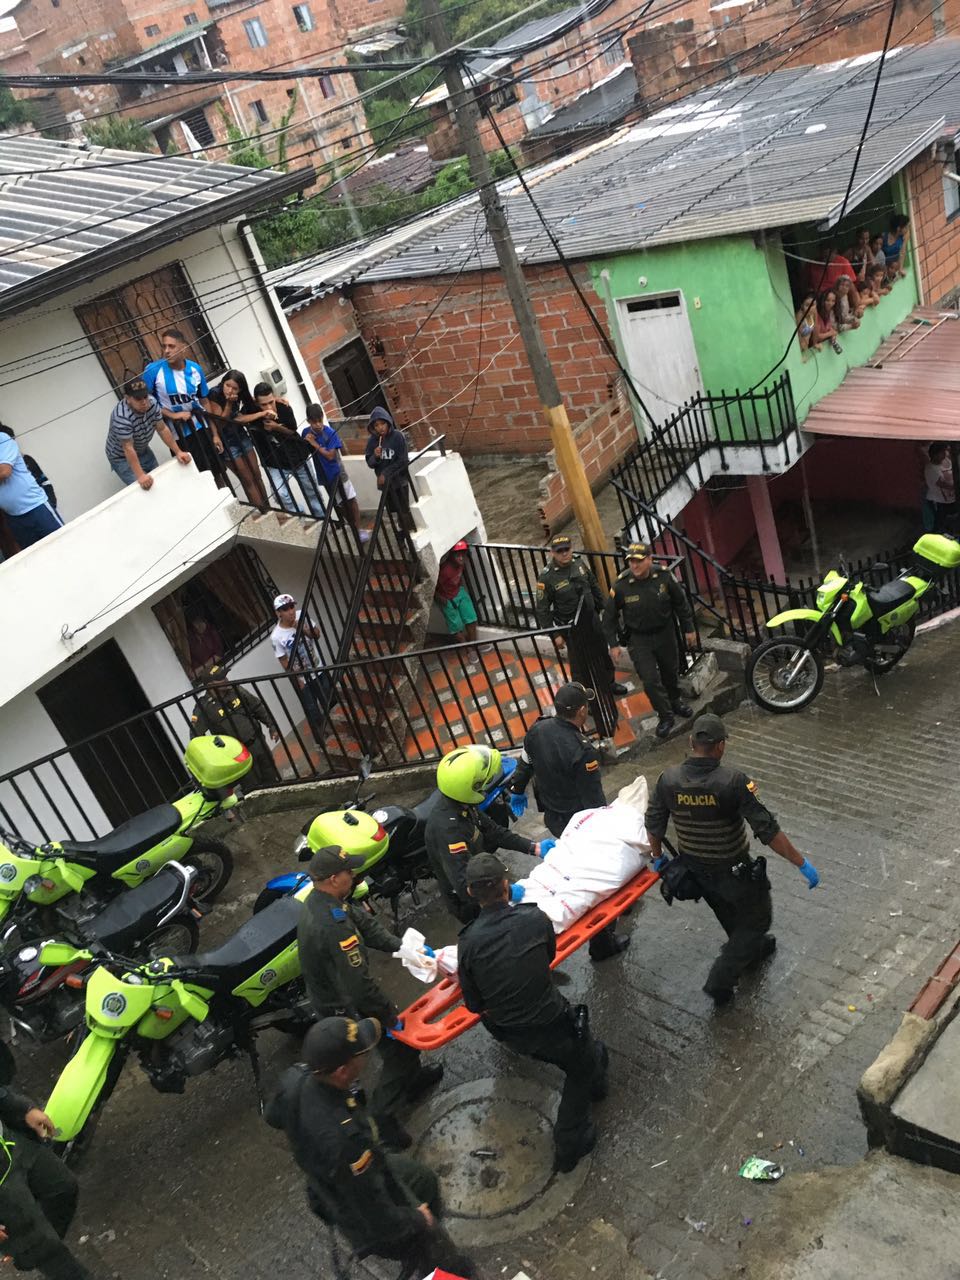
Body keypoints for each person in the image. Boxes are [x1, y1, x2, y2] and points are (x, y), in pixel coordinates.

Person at [265, 1016, 474, 1278]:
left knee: (423, 1180)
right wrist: (418, 1219)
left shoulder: (295, 1078)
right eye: (362, 1053)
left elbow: (272, 1116)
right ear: (343, 1071)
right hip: (360, 1201)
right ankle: (428, 1260)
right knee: (444, 1254)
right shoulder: (346, 1143)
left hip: (355, 1171)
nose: (367, 1054)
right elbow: (377, 1215)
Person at [645, 713, 820, 1006]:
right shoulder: (733, 782)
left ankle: (752, 951)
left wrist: (657, 858)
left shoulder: (668, 779)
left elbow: (654, 823)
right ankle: (721, 980)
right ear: (720, 746)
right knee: (758, 918)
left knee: (727, 912)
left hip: (695, 869)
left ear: (691, 742)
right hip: (732, 870)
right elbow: (767, 830)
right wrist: (801, 863)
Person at [458, 853, 608, 1173]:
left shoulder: (468, 944)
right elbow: (549, 957)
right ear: (506, 885)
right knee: (583, 1064)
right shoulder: (535, 919)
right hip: (549, 1024)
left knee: (586, 1056)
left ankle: (595, 1082)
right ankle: (569, 1142)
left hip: (507, 1031)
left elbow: (473, 1005)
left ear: (471, 892)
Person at [296, 846, 442, 1148]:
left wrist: (402, 948)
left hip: (336, 993)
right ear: (334, 878)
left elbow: (367, 926)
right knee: (399, 1051)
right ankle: (381, 1120)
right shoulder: (332, 925)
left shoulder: (324, 901)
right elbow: (358, 986)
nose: (354, 875)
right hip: (345, 1005)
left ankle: (412, 1082)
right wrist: (388, 1015)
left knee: (400, 1048)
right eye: (349, 871)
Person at [509, 682, 629, 961]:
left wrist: (517, 789)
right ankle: (602, 942)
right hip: (581, 825)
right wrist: (609, 829)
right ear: (582, 711)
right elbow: (594, 800)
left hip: (554, 818)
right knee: (591, 875)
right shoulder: (581, 749)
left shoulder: (538, 729)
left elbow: (525, 761)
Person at [423, 744, 541, 924]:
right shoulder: (450, 832)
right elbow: (465, 886)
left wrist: (533, 847)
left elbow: (494, 832)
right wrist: (506, 892)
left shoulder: (461, 804)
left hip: (485, 883)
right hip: (473, 905)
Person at [535, 533, 627, 732]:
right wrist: (555, 635)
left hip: (592, 620)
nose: (565, 554)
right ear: (552, 553)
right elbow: (542, 609)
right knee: (579, 667)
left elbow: (593, 586)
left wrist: (606, 611)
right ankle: (586, 700)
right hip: (571, 628)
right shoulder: (547, 577)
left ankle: (609, 684)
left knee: (602, 654)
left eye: (567, 549)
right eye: (559, 551)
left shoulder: (579, 563)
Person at [603, 542, 694, 740]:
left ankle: (675, 700)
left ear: (649, 560)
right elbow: (608, 617)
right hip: (639, 638)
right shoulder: (621, 585)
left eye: (639, 561)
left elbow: (681, 602)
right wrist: (613, 644)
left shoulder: (663, 576)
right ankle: (665, 715)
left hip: (665, 632)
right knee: (650, 680)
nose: (634, 566)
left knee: (671, 670)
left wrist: (689, 629)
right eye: (631, 562)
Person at [0, 1079, 91, 1279]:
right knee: (44, 1249)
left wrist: (21, 1108)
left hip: (11, 1145)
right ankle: (39, 1250)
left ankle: (33, 1250)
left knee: (63, 1186)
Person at [142, 328, 221, 478]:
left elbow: (204, 401)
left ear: (183, 347)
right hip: (178, 436)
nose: (166, 351)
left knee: (216, 474)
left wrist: (215, 433)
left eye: (171, 346)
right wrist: (172, 415)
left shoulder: (195, 369)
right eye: (164, 346)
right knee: (195, 477)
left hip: (201, 429)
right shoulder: (153, 370)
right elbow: (146, 404)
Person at [190, 662, 280, 789]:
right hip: (237, 755)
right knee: (252, 787)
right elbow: (196, 738)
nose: (226, 679)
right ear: (210, 685)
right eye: (221, 678)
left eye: (225, 676)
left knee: (272, 777)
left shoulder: (236, 690)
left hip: (257, 742)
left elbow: (257, 707)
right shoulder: (204, 708)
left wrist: (272, 726)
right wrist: (216, 754)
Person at [250, 384, 325, 518]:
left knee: (312, 492)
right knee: (280, 494)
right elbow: (238, 415)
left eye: (271, 402)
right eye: (263, 405)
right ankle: (299, 515)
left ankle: (323, 520)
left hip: (297, 456)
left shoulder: (284, 407)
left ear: (275, 398)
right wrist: (261, 414)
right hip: (274, 462)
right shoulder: (251, 412)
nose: (268, 408)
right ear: (256, 403)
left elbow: (292, 430)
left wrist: (276, 427)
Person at [104, 377, 191, 489]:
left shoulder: (152, 403)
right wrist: (140, 475)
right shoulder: (121, 417)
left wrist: (178, 452)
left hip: (142, 448)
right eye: (138, 399)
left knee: (158, 479)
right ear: (127, 398)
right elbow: (128, 448)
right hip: (121, 456)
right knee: (143, 487)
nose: (144, 402)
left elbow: (162, 429)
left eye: (145, 396)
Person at [300, 403, 368, 541]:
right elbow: (305, 451)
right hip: (324, 475)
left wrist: (314, 444)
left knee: (350, 499)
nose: (318, 425)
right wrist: (307, 443)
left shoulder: (330, 433)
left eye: (320, 420)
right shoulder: (306, 433)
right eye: (314, 422)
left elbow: (330, 456)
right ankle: (351, 527)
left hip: (338, 473)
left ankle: (358, 528)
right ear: (309, 421)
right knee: (338, 503)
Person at [271, 593, 330, 744]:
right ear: (279, 613)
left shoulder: (301, 615)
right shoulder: (276, 636)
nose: (290, 611)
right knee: (313, 709)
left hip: (319, 668)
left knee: (329, 699)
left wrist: (301, 627)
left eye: (291, 606)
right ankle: (324, 736)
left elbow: (317, 635)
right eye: (285, 609)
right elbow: (284, 661)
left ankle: (338, 726)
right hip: (303, 676)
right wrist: (297, 679)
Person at [204, 371, 268, 511]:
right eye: (227, 385)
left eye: (235, 388)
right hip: (226, 442)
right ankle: (263, 512)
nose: (230, 390)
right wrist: (228, 403)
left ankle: (270, 510)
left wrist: (275, 402)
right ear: (223, 382)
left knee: (257, 475)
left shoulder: (240, 395)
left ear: (240, 390)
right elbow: (220, 424)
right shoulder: (214, 393)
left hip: (240, 435)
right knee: (247, 480)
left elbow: (243, 412)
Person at [0, 428, 63, 550]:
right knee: (34, 559)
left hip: (36, 507)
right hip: (13, 516)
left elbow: (4, 471)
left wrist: (52, 502)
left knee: (64, 543)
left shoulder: (2, 438)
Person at [365, 407, 413, 534]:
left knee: (404, 511)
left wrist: (385, 473)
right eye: (376, 425)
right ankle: (400, 533)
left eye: (383, 423)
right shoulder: (372, 441)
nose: (380, 428)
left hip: (400, 482)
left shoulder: (397, 436)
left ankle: (406, 536)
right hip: (386, 486)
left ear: (388, 422)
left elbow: (403, 461)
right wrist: (375, 456)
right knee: (393, 512)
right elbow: (369, 463)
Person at [0, 425, 57, 510]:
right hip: (13, 512)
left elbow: (44, 481)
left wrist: (51, 503)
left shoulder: (27, 460)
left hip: (38, 505)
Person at [435, 541, 480, 648]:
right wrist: (439, 597)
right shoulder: (444, 571)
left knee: (471, 619)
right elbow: (433, 584)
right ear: (452, 556)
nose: (461, 558)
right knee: (455, 627)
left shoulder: (461, 564)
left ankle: (473, 645)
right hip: (446, 598)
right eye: (457, 555)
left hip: (458, 591)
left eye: (463, 554)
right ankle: (468, 648)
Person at [922, 443, 955, 532]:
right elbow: (946, 485)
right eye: (942, 453)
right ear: (935, 454)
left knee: (950, 520)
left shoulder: (946, 461)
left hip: (950, 499)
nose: (944, 454)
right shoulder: (931, 469)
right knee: (940, 522)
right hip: (939, 501)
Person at [186, 615, 224, 679]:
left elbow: (218, 655)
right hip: (196, 676)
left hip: (212, 668)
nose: (199, 626)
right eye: (196, 624)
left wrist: (200, 669)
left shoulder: (212, 632)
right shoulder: (189, 637)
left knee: (218, 676)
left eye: (200, 623)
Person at [882, 214, 910, 279]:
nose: (907, 229)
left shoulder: (903, 237)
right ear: (898, 228)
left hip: (893, 269)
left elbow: (902, 252)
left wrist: (900, 269)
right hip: (884, 268)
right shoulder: (884, 237)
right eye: (905, 227)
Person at [815, 289, 842, 354]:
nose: (830, 303)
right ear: (822, 300)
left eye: (833, 301)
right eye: (827, 300)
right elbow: (817, 337)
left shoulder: (828, 313)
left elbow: (829, 327)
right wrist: (830, 334)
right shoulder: (817, 315)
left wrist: (833, 334)